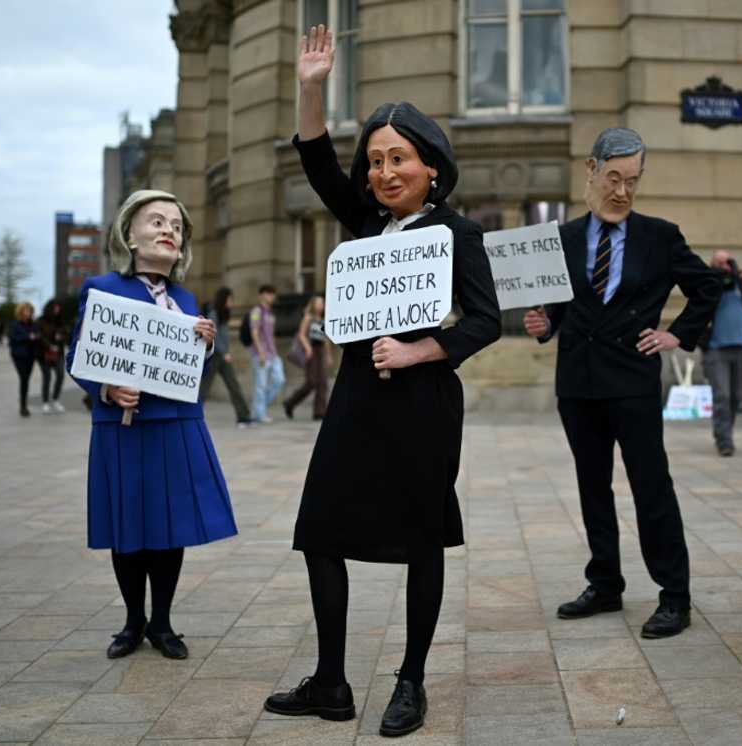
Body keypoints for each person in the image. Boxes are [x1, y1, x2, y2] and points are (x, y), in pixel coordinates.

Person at [263, 26, 500, 738]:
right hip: (358, 399)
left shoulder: (459, 234)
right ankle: (331, 682)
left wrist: (421, 350)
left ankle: (410, 682)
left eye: (399, 158)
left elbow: (485, 321)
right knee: (319, 531)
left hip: (422, 403)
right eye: (374, 160)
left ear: (432, 167)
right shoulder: (364, 222)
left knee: (423, 538)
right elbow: (314, 162)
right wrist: (311, 87)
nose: (384, 171)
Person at [523, 127, 720, 640]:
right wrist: (546, 326)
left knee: (651, 487)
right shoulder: (561, 239)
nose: (622, 192)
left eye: (633, 181)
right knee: (592, 487)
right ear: (591, 171)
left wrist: (677, 335)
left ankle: (675, 596)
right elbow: (557, 312)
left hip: (632, 382)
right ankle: (605, 583)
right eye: (614, 178)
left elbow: (707, 288)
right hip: (578, 385)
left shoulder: (660, 236)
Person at [66, 189, 238, 662]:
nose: (168, 230)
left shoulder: (186, 298)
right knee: (129, 527)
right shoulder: (101, 288)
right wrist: (105, 390)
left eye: (177, 226)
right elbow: (76, 356)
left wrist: (204, 347)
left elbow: (189, 376)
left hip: (176, 425)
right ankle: (132, 620)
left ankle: (161, 622)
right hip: (123, 427)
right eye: (157, 221)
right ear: (129, 234)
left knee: (169, 528)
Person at [698, 251, 742, 456]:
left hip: (740, 349)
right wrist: (716, 277)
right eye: (719, 263)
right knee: (722, 395)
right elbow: (701, 296)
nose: (724, 267)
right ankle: (724, 440)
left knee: (735, 397)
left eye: (727, 263)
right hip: (716, 350)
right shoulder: (708, 285)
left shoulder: (741, 285)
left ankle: (725, 432)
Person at [199, 286, 254, 428]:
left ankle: (244, 417)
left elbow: (224, 336)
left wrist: (226, 352)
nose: (232, 302)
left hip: (223, 355)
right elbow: (213, 335)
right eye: (230, 299)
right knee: (203, 388)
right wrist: (225, 352)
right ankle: (193, 414)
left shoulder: (224, 313)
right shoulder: (214, 313)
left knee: (233, 385)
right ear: (224, 299)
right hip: (214, 355)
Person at [283, 294, 332, 420]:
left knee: (323, 382)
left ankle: (319, 412)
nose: (321, 305)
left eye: (323, 303)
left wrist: (328, 355)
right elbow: (301, 334)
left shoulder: (324, 319)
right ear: (313, 304)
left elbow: (326, 339)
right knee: (311, 382)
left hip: (321, 350)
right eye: (319, 303)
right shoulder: (308, 317)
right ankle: (290, 402)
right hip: (311, 350)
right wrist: (307, 347)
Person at [249, 284, 285, 423]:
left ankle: (260, 407)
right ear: (261, 295)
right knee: (261, 385)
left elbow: (271, 334)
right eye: (268, 293)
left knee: (279, 379)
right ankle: (259, 413)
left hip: (272, 354)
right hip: (261, 354)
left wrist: (274, 350)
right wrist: (261, 352)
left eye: (272, 294)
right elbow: (254, 332)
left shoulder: (270, 313)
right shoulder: (257, 311)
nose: (271, 296)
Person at [37, 300, 67, 413]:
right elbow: (39, 336)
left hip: (58, 353)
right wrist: (49, 346)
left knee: (60, 375)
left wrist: (62, 336)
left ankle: (55, 399)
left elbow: (65, 333)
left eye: (59, 308)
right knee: (47, 377)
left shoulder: (60, 321)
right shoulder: (41, 321)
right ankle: (45, 402)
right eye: (55, 308)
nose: (57, 310)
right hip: (44, 353)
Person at [8, 304, 38, 417]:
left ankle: (24, 404)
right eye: (26, 310)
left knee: (26, 380)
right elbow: (12, 339)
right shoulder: (15, 324)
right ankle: (23, 406)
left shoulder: (33, 324)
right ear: (21, 312)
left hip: (30, 355)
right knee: (24, 377)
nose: (28, 312)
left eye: (30, 310)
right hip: (19, 355)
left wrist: (35, 337)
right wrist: (27, 337)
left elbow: (37, 335)